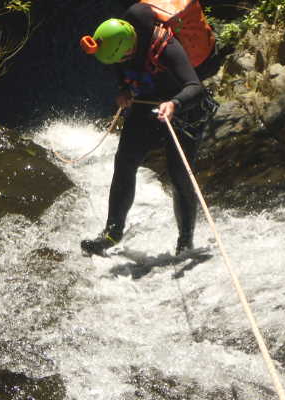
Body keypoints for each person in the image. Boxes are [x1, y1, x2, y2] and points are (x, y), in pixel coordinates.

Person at [79, 2, 218, 256]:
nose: (118, 63)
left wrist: (174, 104)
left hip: (184, 109)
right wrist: (124, 91)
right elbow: (122, 72)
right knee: (124, 162)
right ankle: (112, 233)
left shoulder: (165, 46)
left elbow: (195, 87)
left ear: (129, 47)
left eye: (121, 58)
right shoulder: (116, 45)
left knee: (178, 174)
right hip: (147, 106)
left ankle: (185, 242)